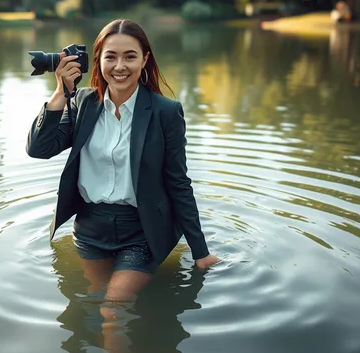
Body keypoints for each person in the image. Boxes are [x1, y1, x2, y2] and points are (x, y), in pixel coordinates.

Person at [26, 19, 219, 305]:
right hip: (90, 231)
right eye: (111, 57)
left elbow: (178, 182)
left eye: (130, 56)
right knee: (95, 301)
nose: (119, 66)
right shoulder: (82, 103)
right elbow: (39, 149)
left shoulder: (165, 112)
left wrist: (200, 252)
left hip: (141, 231)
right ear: (98, 60)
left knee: (113, 307)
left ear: (145, 60)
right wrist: (60, 93)